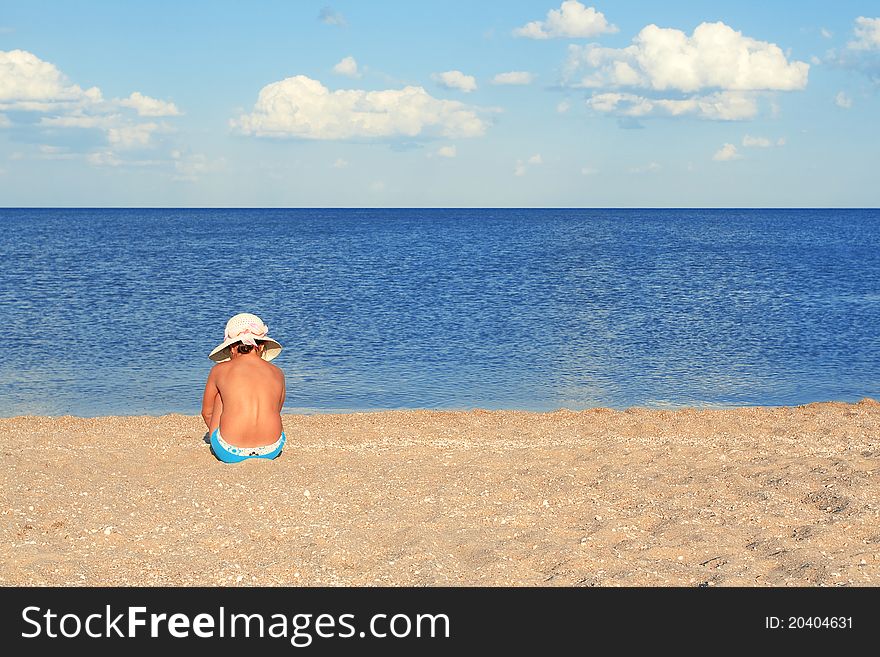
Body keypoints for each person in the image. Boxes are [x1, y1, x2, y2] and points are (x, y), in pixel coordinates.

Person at [201, 313, 287, 463]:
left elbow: (207, 413)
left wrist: (220, 432)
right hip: (272, 448)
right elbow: (276, 409)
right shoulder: (277, 372)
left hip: (230, 451)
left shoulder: (219, 370)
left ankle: (228, 437)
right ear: (261, 346)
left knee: (222, 396)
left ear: (232, 349)